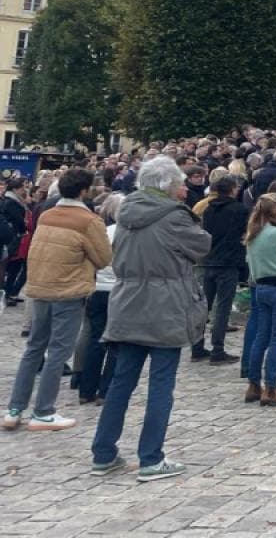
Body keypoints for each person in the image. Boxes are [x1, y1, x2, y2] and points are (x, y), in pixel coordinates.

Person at [91, 156, 211, 481]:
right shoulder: (174, 217)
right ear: (168, 185)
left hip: (127, 303)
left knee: (121, 383)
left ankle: (103, 452)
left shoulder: (126, 212)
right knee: (161, 384)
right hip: (165, 307)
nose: (185, 188)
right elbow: (202, 246)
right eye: (181, 183)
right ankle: (151, 458)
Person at [4, 168, 112, 432]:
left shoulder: (47, 214)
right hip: (68, 289)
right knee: (58, 352)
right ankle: (43, 411)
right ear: (84, 191)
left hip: (40, 286)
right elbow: (104, 258)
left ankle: (14, 409)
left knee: (33, 348)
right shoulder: (89, 220)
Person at [243, 195, 276, 408]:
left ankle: (253, 384)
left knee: (261, 338)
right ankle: (271, 388)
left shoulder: (252, 234)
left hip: (261, 287)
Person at [192, 175, 248, 364]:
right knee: (222, 308)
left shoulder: (208, 209)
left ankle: (197, 346)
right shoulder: (239, 210)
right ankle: (218, 350)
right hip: (227, 262)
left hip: (209, 260)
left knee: (204, 306)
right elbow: (242, 233)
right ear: (232, 189)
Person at [79, 194, 122, 405]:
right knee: (115, 342)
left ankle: (86, 389)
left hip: (99, 288)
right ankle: (106, 390)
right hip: (118, 289)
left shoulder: (105, 231)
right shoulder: (126, 233)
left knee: (96, 340)